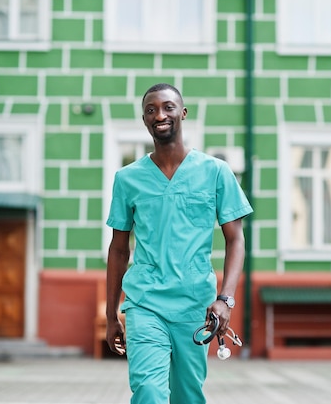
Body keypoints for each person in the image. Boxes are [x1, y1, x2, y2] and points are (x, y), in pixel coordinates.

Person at [105, 83, 253, 404]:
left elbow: (235, 240)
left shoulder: (215, 172)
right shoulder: (127, 179)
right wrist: (111, 314)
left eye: (168, 107)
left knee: (188, 396)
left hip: (194, 306)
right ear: (145, 120)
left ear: (182, 113)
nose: (160, 114)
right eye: (151, 110)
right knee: (149, 391)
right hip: (145, 303)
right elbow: (118, 249)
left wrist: (225, 299)